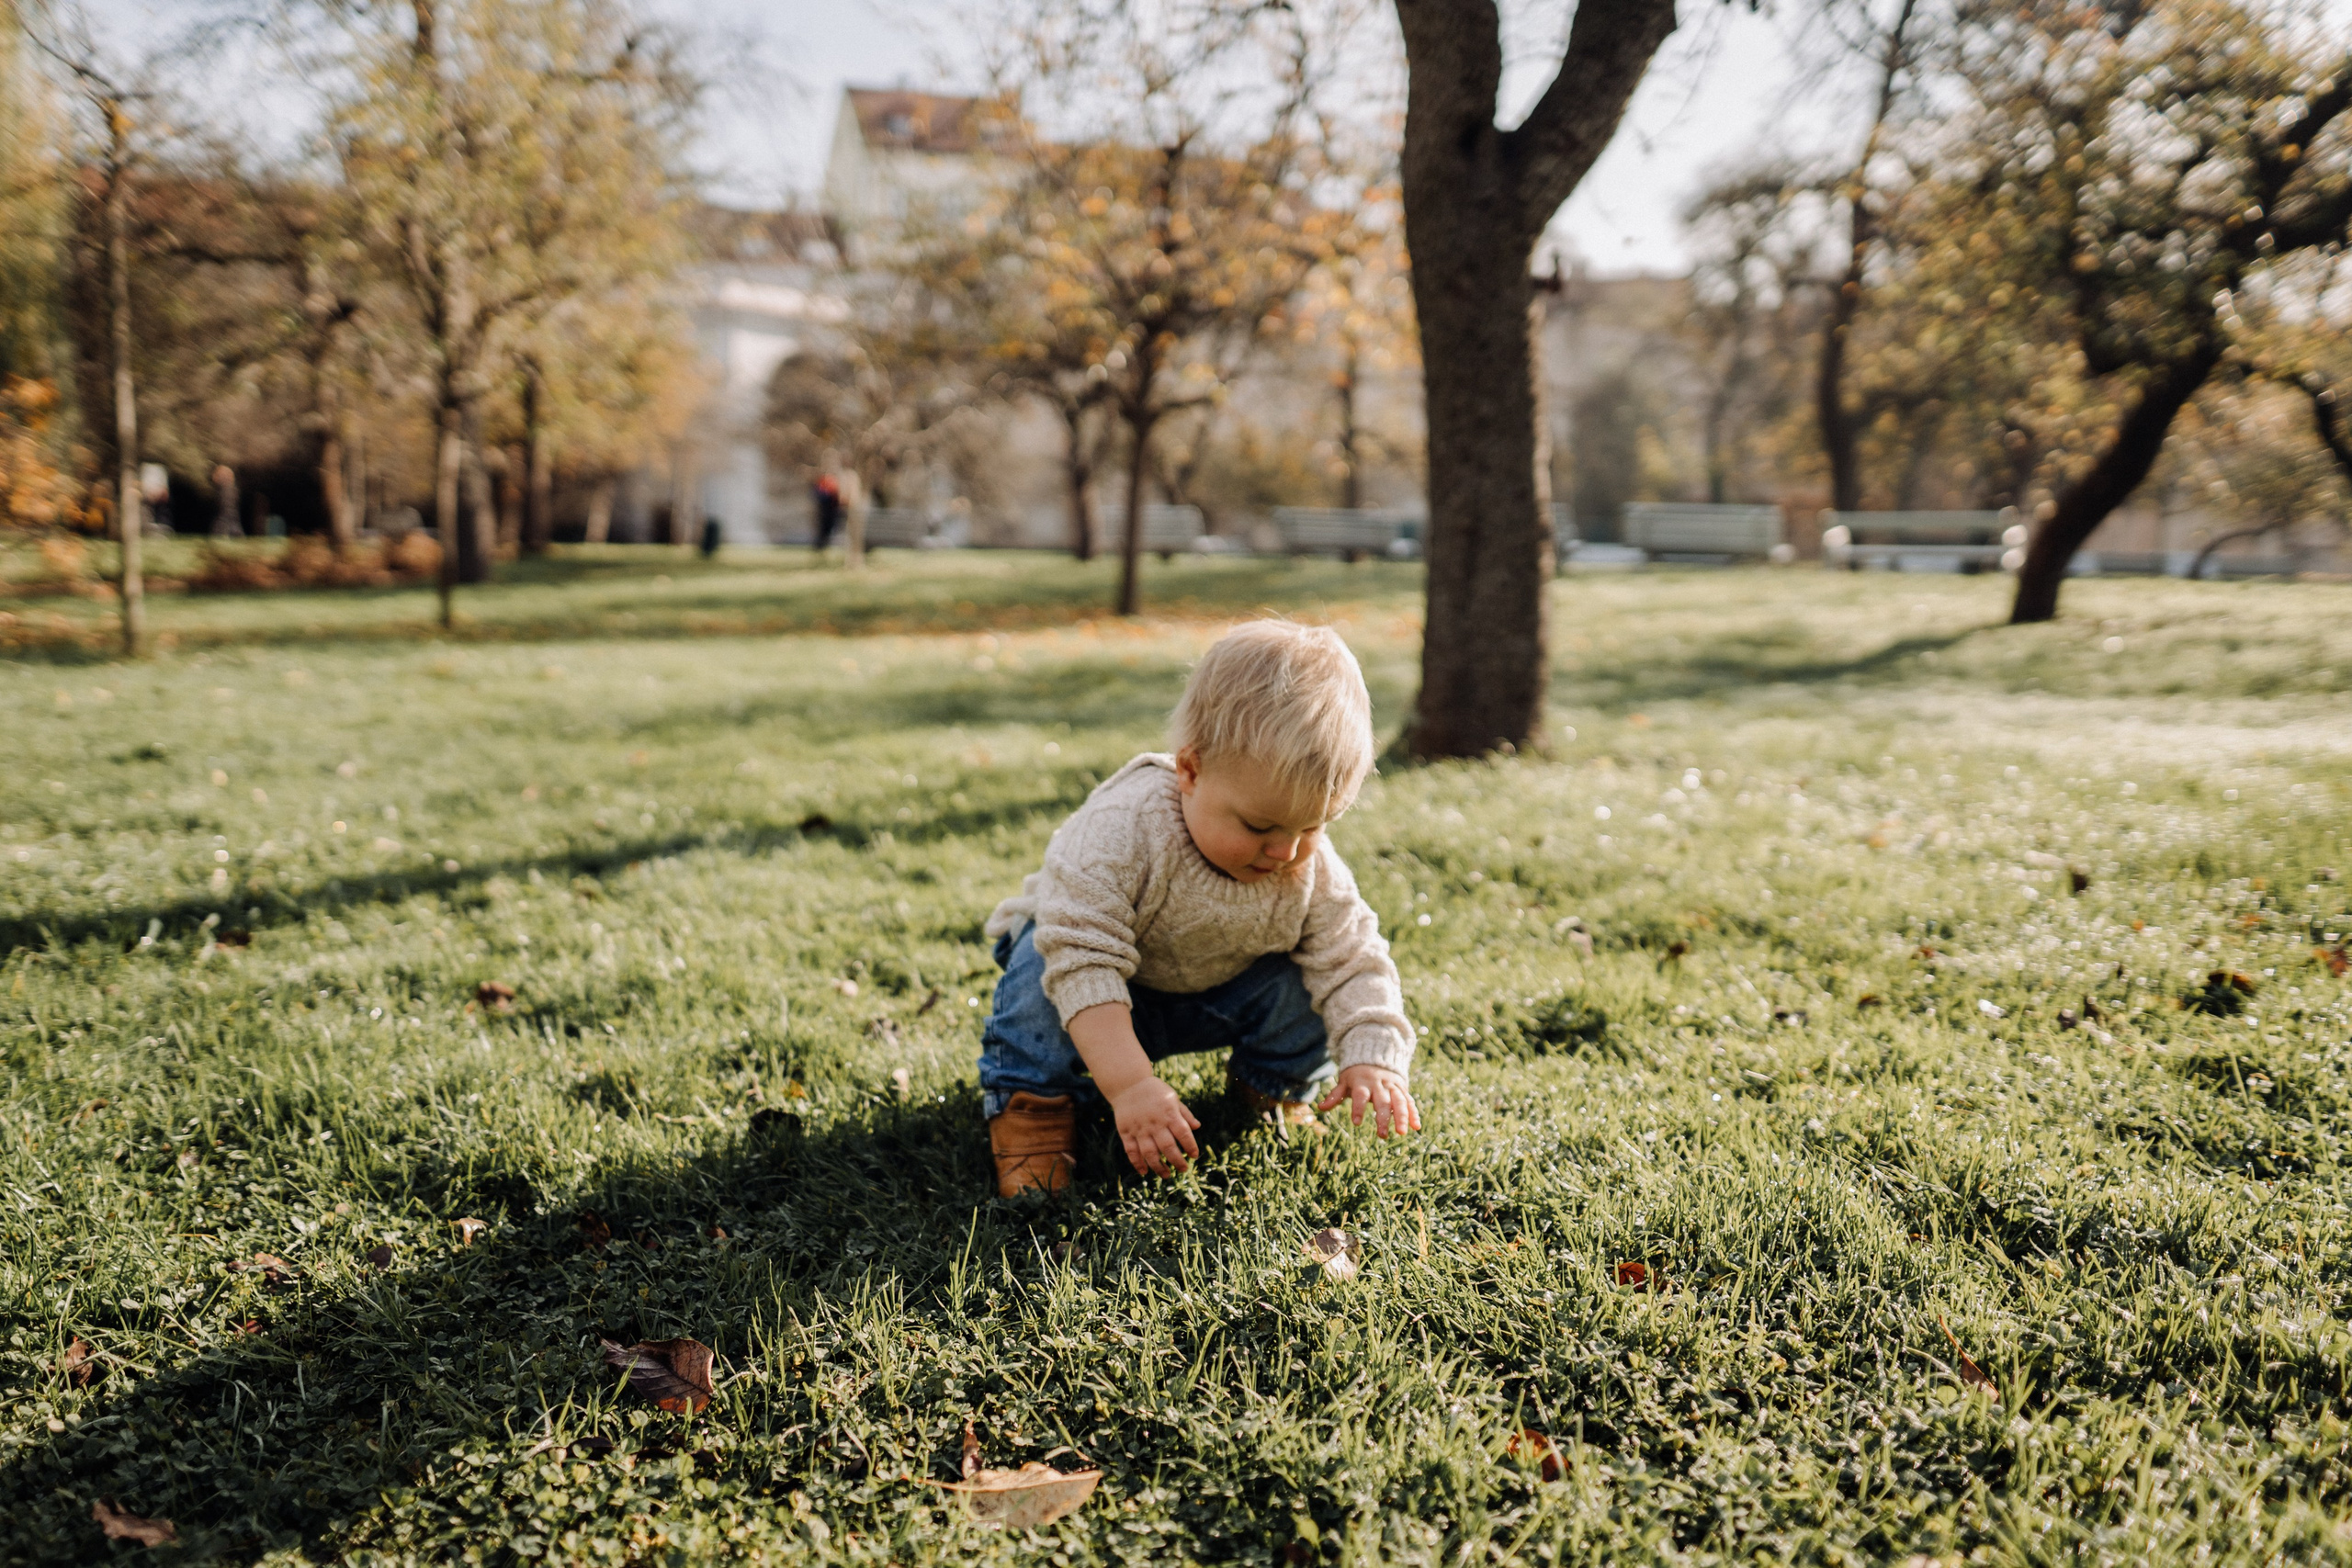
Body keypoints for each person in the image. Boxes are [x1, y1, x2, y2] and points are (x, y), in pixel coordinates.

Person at [978, 620, 1421, 1197]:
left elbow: (1354, 959)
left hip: (1215, 993)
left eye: (1311, 827)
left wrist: (1373, 1056)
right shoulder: (1121, 829)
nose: (1286, 852)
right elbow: (1082, 958)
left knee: (1308, 980)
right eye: (1259, 826)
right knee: (1042, 968)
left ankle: (1270, 1090)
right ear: (1190, 770)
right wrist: (1131, 1085)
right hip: (1094, 991)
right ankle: (1033, 1108)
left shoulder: (1308, 868)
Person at [810, 472, 842, 551]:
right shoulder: (823, 484)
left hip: (831, 510)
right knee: (824, 529)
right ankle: (820, 545)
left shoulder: (832, 485)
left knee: (829, 528)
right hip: (825, 511)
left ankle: (823, 544)